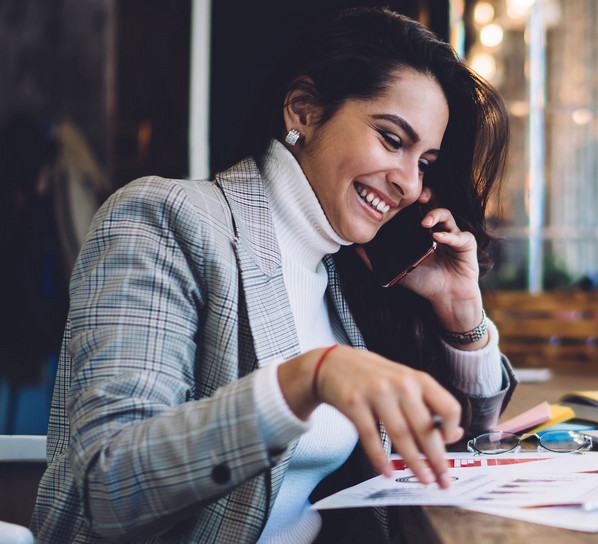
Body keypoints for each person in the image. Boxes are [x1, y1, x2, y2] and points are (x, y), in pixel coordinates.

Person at [31, 7, 514, 543]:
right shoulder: (167, 218)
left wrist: (461, 315)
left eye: (424, 162)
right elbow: (108, 484)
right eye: (391, 139)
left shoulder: (341, 275)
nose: (407, 183)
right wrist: (301, 382)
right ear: (303, 110)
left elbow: (458, 448)